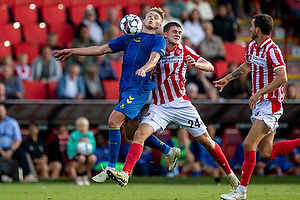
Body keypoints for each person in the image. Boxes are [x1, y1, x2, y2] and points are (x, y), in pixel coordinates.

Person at [54, 7, 181, 184]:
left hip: (140, 89)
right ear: (142, 20)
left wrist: (145, 68)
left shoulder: (157, 40)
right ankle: (169, 151)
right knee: (132, 134)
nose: (152, 18)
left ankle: (111, 168)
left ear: (160, 24)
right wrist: (73, 51)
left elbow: (154, 59)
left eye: (156, 18)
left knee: (113, 121)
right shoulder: (128, 38)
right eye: (149, 16)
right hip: (125, 90)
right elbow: (100, 50)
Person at [106, 22, 239, 189]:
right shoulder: (154, 51)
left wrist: (197, 64)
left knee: (207, 142)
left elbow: (210, 66)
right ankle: (125, 174)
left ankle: (231, 176)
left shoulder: (184, 50)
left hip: (181, 104)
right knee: (139, 134)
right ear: (165, 34)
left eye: (180, 32)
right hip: (159, 106)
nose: (178, 34)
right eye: (174, 31)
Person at [214, 14, 300, 200]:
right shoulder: (252, 46)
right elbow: (246, 66)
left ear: (258, 29)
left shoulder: (272, 49)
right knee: (266, 153)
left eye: (252, 26)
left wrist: (260, 92)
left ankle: (241, 191)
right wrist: (227, 79)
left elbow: (283, 77)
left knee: (248, 144)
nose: (250, 29)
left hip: (271, 104)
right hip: (260, 104)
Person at [0, 103, 38, 183]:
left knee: (23, 154)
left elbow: (18, 139)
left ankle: (26, 175)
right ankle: (3, 175)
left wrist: (11, 151)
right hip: (0, 149)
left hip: (11, 148)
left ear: (5, 111)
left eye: (1, 110)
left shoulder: (13, 122)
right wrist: (2, 152)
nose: (0, 112)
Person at [67, 116, 97, 185]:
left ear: (87, 126)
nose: (82, 128)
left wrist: (88, 142)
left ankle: (85, 174)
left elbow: (93, 146)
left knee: (93, 158)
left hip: (87, 153)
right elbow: (70, 147)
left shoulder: (90, 134)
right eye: (80, 126)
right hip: (76, 154)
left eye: (84, 126)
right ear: (76, 127)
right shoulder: (73, 135)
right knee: (81, 158)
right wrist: (78, 142)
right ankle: (79, 175)